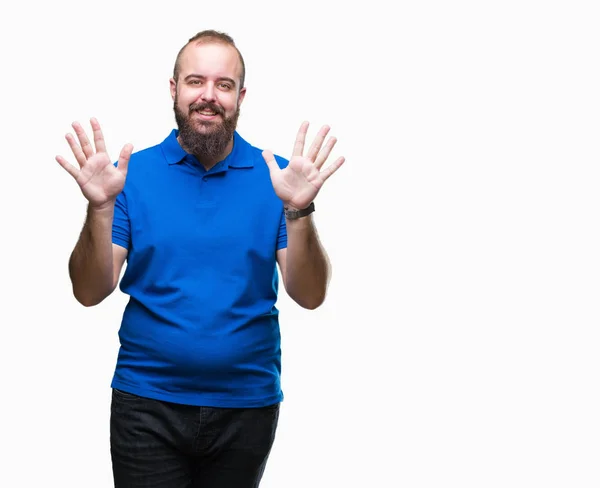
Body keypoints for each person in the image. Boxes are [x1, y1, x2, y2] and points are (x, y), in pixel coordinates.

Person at [55, 30, 344, 487]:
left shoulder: (279, 180)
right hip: (146, 404)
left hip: (246, 405)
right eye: (195, 81)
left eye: (223, 85)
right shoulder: (131, 177)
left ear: (240, 96)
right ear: (174, 89)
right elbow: (89, 292)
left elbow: (308, 295)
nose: (208, 96)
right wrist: (99, 208)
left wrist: (298, 209)